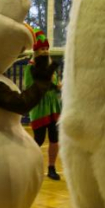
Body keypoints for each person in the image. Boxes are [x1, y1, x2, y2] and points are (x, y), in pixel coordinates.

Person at [23, 29, 62, 181]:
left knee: (54, 138)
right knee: (38, 139)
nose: (45, 51)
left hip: (53, 106)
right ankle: (27, 166)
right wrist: (47, 83)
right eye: (42, 49)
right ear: (36, 51)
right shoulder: (31, 67)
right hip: (39, 107)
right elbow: (29, 86)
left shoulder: (50, 65)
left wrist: (57, 86)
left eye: (46, 48)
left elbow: (55, 84)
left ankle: (52, 167)